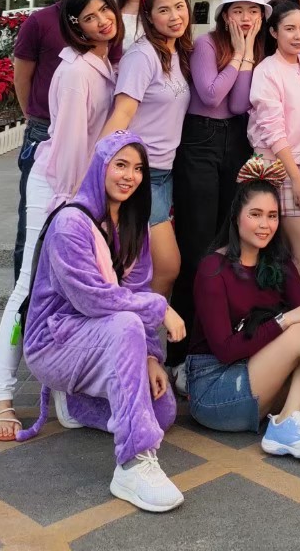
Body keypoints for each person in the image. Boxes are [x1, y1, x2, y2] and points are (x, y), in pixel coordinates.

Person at [16, 134, 187, 513]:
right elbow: (93, 299)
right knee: (126, 324)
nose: (130, 176)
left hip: (102, 337)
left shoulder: (132, 225)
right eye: (120, 165)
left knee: (162, 412)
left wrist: (151, 357)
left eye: (138, 168)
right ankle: (132, 462)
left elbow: (136, 289)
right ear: (101, 167)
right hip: (53, 343)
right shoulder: (70, 224)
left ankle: (77, 402)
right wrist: (161, 308)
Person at [0, 0, 123, 441]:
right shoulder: (77, 71)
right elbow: (67, 147)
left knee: (72, 294)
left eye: (105, 9)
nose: (103, 20)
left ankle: (67, 394)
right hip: (57, 189)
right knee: (28, 286)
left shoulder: (104, 63)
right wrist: (74, 207)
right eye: (90, 17)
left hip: (81, 191)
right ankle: (0, 396)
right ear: (75, 27)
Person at [186, 157, 300, 460]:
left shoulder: (277, 263)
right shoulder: (213, 269)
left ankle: (287, 421)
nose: (265, 225)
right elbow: (225, 350)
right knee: (299, 331)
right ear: (236, 217)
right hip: (213, 389)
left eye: (272, 216)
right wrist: (285, 320)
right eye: (255, 215)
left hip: (254, 375)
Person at [169, 0, 269, 372]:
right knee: (196, 245)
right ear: (224, 15)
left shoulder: (255, 49)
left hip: (235, 141)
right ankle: (180, 352)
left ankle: (215, 341)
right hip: (200, 140)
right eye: (238, 10)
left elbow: (239, 104)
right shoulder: (206, 44)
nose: (246, 18)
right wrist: (240, 55)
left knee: (227, 241)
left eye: (253, 11)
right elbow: (211, 95)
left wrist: (246, 53)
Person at [11, 0, 110, 279]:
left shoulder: (103, 27)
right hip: (46, 131)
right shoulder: (40, 21)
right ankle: (25, 297)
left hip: (86, 140)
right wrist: (33, 114)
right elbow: (22, 74)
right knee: (33, 230)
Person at [103, 0, 192, 298]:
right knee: (167, 266)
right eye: (164, 10)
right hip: (142, 175)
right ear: (149, 16)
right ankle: (144, 330)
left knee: (147, 268)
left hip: (165, 173)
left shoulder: (177, 52)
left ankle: (146, 330)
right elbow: (121, 114)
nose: (175, 16)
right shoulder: (142, 57)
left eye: (179, 7)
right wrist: (100, 168)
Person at [248, 0, 300, 286]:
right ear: (274, 32)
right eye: (290, 29)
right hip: (280, 164)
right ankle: (299, 308)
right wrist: (296, 178)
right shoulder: (267, 70)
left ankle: (290, 302)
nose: (298, 35)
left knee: (293, 249)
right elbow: (273, 130)